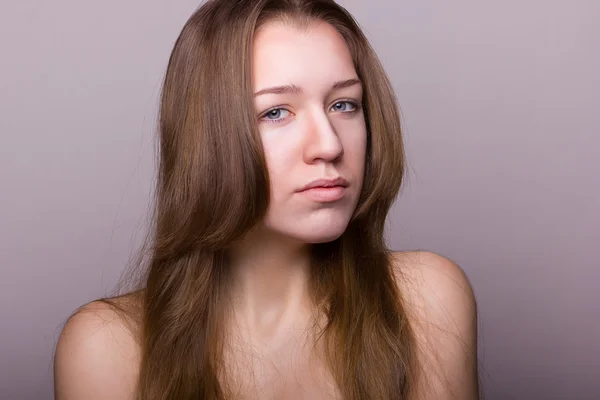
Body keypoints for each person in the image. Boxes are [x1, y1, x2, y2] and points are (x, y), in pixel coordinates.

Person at [54, 0, 479, 399]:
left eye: (344, 104)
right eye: (276, 112)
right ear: (207, 139)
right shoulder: (108, 348)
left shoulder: (426, 301)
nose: (329, 145)